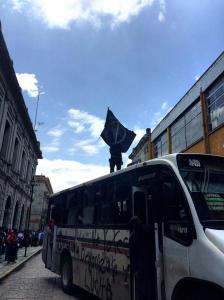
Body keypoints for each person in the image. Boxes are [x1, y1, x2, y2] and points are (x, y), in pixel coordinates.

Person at [129, 216, 155, 300]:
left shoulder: (133, 236)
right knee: (148, 287)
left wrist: (135, 269)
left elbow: (133, 255)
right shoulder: (148, 228)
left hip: (141, 267)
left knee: (142, 289)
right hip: (148, 264)